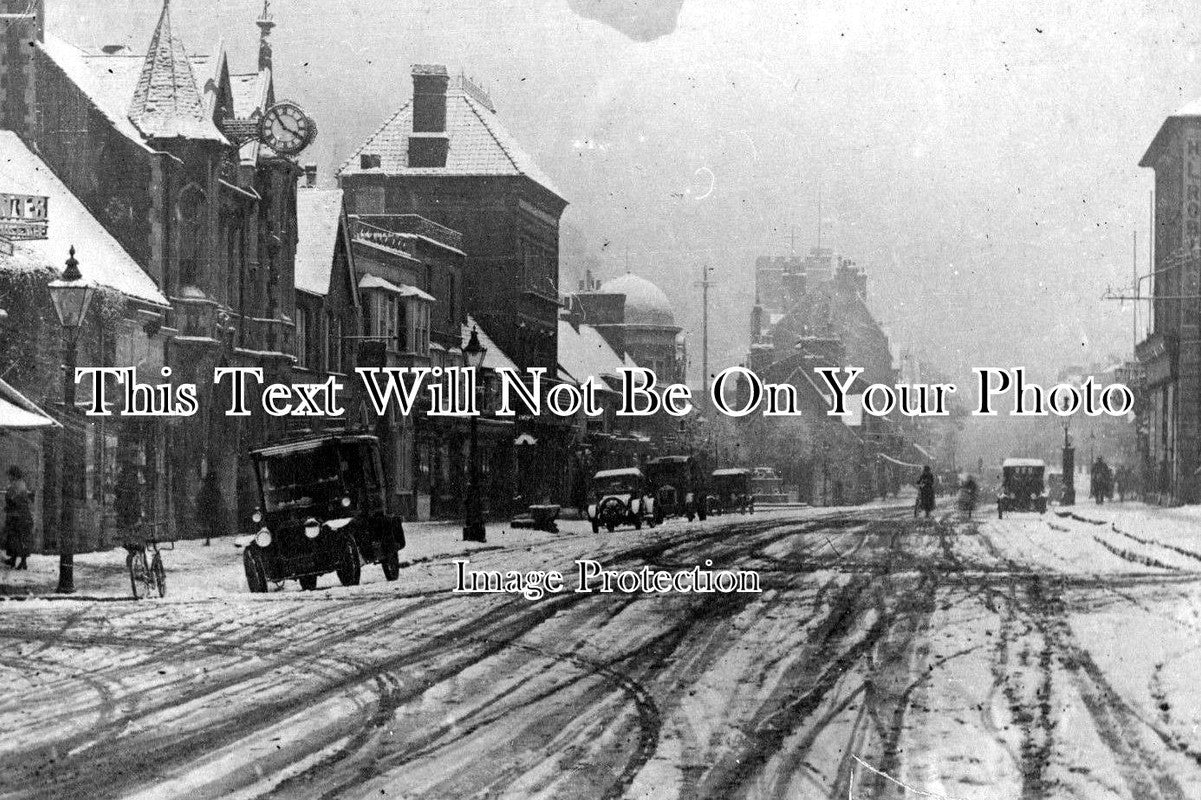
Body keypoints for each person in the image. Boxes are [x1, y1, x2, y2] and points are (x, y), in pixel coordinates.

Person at [4, 466, 33, 570]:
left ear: (14, 475)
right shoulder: (20, 484)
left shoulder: (17, 485)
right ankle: (16, 560)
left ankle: (20, 561)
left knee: (17, 538)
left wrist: (8, 505)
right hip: (22, 515)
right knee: (19, 539)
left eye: (10, 475)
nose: (9, 477)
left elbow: (14, 499)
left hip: (18, 516)